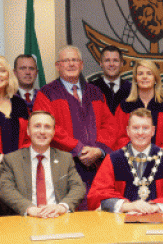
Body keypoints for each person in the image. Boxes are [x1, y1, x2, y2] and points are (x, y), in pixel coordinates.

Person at [32, 45, 118, 198]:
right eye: (65, 60)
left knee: (97, 213)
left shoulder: (95, 92)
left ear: (81, 64)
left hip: (97, 167)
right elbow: (47, 128)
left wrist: (98, 149)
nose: (71, 64)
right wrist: (79, 148)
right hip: (63, 167)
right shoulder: (46, 93)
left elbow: (109, 125)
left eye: (75, 60)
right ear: (58, 66)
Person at [88, 108, 163, 213]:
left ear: (153, 131)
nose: (140, 132)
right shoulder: (114, 159)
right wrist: (128, 206)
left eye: (145, 128)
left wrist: (155, 207)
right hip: (121, 226)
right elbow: (97, 195)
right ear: (128, 131)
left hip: (160, 225)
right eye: (135, 128)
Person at [0, 111, 86, 217]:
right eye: (37, 126)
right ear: (28, 131)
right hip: (25, 219)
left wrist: (61, 207)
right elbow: (5, 189)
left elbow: (78, 188)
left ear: (53, 132)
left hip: (58, 218)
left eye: (47, 127)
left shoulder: (65, 159)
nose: (42, 131)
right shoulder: (12, 159)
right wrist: (30, 209)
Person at [113, 59, 163, 161]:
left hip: (162, 163)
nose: (144, 77)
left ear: (155, 78)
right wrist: (136, 154)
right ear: (135, 79)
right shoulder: (125, 107)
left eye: (149, 73)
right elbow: (119, 137)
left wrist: (158, 156)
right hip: (131, 163)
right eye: (140, 74)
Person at [90, 45, 132, 114]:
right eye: (107, 60)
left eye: (115, 60)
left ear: (121, 63)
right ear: (101, 63)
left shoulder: (131, 89)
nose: (111, 64)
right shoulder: (91, 89)